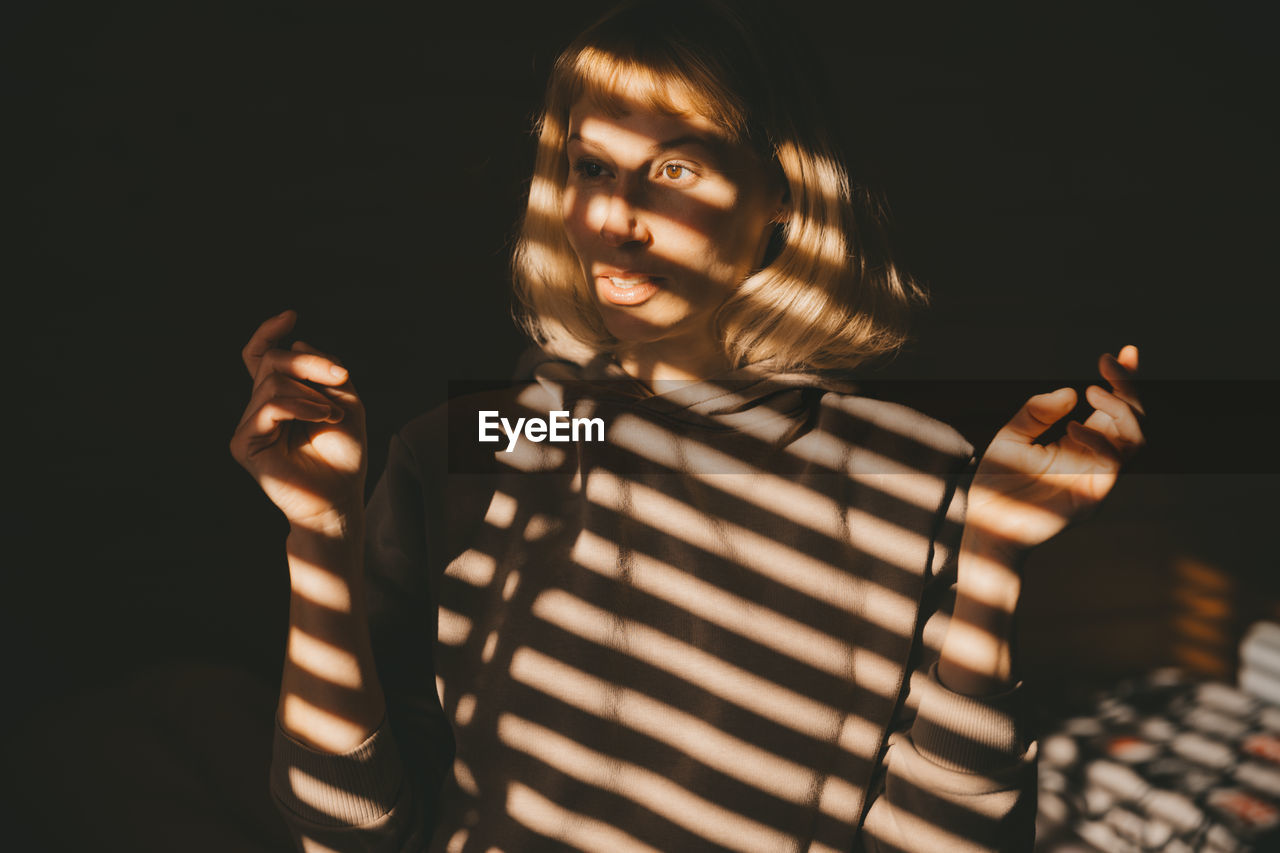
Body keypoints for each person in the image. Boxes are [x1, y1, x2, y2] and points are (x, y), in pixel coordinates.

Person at [230, 2, 1145, 850]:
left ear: (785, 191)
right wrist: (321, 536)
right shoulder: (472, 445)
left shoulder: (913, 469)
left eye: (673, 168)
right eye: (591, 168)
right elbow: (355, 833)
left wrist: (991, 564)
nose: (616, 218)